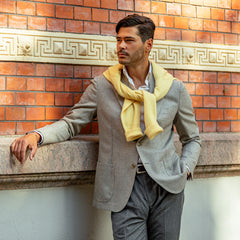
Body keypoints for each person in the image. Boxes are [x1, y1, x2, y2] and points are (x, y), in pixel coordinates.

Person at [11, 14, 201, 240]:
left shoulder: (174, 89)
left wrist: (185, 169)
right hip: (124, 188)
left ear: (148, 44)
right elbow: (71, 123)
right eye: (118, 40)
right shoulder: (103, 86)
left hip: (167, 187)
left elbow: (192, 139)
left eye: (129, 40)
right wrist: (36, 135)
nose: (121, 46)